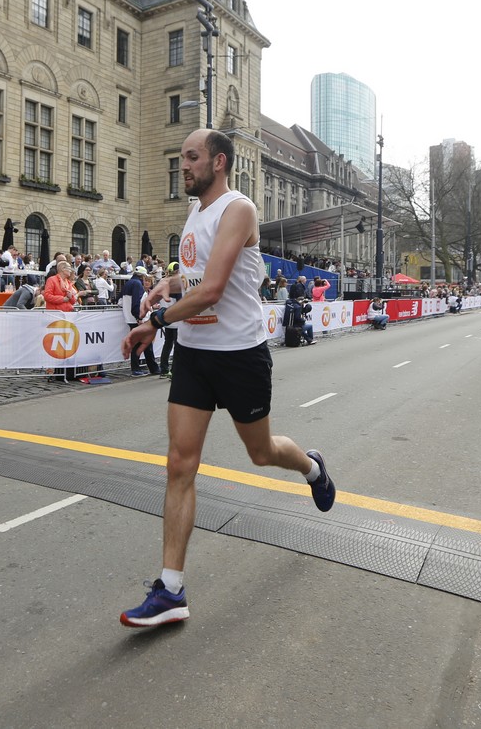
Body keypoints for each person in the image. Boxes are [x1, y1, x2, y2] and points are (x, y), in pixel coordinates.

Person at [119, 129, 336, 627]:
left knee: (261, 452)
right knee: (180, 464)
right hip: (195, 355)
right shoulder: (195, 212)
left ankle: (312, 468)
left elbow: (214, 288)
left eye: (191, 157)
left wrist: (155, 321)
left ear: (219, 162)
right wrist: (168, 283)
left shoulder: (239, 209)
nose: (183, 165)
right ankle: (171, 590)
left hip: (240, 355)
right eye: (182, 158)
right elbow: (199, 274)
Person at [121, 265, 159, 376]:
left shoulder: (128, 283)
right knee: (141, 344)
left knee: (143, 344)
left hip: (130, 318)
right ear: (142, 276)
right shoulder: (137, 284)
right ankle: (140, 369)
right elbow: (136, 304)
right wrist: (139, 317)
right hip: (137, 319)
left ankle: (151, 368)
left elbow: (119, 299)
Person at [158, 262, 180, 378]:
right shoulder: (176, 285)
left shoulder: (163, 282)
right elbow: (181, 303)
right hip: (176, 321)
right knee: (177, 347)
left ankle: (164, 370)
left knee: (167, 345)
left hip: (166, 320)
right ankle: (174, 370)